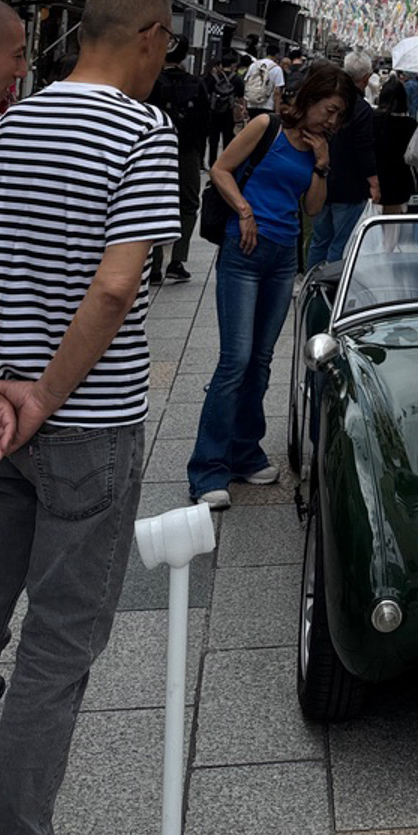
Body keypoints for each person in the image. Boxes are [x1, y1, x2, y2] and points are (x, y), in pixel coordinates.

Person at [0, 0, 178, 835]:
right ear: (145, 35)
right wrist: (46, 396)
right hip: (84, 422)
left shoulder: (5, 125)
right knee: (57, 651)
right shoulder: (143, 131)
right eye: (167, 45)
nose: (165, 62)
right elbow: (115, 284)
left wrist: (0, 383)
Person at [188, 62, 349, 508]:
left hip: (282, 258)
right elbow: (220, 170)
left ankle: (244, 451)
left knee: (260, 361)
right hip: (243, 252)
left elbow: (313, 210)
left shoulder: (317, 148)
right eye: (329, 110)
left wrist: (321, 165)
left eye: (338, 115)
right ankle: (206, 470)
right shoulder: (266, 126)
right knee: (235, 360)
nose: (331, 121)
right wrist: (244, 210)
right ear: (312, 98)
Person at [306, 52, 377, 268]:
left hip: (321, 180)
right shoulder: (361, 109)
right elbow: (364, 148)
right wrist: (373, 180)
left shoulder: (325, 101)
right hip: (350, 186)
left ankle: (312, 285)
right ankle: (332, 291)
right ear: (365, 78)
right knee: (340, 242)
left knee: (319, 240)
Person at [149, 36, 211, 284]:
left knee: (154, 204)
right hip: (187, 153)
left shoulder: (152, 83)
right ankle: (177, 259)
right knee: (188, 204)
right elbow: (205, 121)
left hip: (155, 152)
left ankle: (153, 265)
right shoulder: (196, 84)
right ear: (184, 57)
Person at [373, 76, 418, 232]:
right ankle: (389, 251)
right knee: (392, 223)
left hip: (376, 176)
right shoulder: (410, 125)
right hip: (399, 178)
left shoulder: (373, 120)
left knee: (374, 219)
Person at [205, 54, 238, 165]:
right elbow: (241, 96)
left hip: (214, 112)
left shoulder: (213, 78)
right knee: (228, 138)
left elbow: (207, 94)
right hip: (229, 112)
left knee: (213, 139)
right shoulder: (236, 78)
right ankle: (225, 164)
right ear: (233, 65)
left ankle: (212, 163)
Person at [243, 46, 285, 120]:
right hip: (268, 106)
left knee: (253, 129)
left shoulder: (254, 65)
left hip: (252, 104)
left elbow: (246, 85)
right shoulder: (277, 69)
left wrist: (244, 106)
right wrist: (277, 111)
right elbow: (277, 92)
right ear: (277, 55)